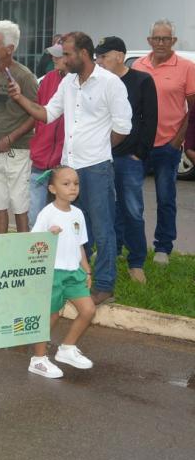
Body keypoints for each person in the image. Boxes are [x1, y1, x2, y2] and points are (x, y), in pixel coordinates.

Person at [8, 32, 132, 304]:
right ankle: (77, 279)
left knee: (102, 229)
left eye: (67, 54)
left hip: (97, 167)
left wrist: (99, 147)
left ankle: (104, 285)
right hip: (70, 169)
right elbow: (48, 114)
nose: (62, 60)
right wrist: (20, 99)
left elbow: (123, 127)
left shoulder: (110, 84)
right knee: (76, 227)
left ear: (84, 54)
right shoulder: (68, 84)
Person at [94, 36, 158, 284]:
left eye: (103, 56)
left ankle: (137, 261)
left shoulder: (142, 80)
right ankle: (113, 251)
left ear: (119, 55)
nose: (99, 61)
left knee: (132, 210)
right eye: (97, 57)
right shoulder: (100, 82)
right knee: (108, 209)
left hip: (129, 158)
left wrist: (140, 153)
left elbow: (149, 120)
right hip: (102, 156)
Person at [131, 19, 195, 266]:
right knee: (132, 199)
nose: (160, 43)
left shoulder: (186, 67)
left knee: (165, 199)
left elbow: (193, 108)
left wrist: (178, 139)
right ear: (149, 41)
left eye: (165, 39)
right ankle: (132, 245)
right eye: (156, 38)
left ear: (173, 41)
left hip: (168, 146)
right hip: (140, 146)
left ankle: (163, 248)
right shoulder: (139, 65)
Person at [28, 166, 97, 379]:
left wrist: (86, 271)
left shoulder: (78, 214)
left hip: (73, 272)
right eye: (66, 184)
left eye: (76, 183)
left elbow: (80, 245)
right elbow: (34, 243)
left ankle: (67, 348)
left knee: (88, 310)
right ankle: (38, 360)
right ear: (52, 188)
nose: (72, 188)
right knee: (51, 316)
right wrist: (50, 235)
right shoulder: (47, 213)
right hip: (53, 272)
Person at [0, 20, 38, 234]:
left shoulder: (25, 76)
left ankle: (22, 250)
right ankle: (1, 249)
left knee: (20, 204)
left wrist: (11, 138)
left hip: (18, 151)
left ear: (10, 49)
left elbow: (35, 114)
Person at [28, 41, 67, 226]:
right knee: (35, 214)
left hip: (64, 162)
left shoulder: (78, 82)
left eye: (58, 55)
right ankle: (35, 250)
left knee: (61, 214)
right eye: (53, 54)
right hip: (41, 157)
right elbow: (39, 112)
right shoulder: (48, 79)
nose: (54, 58)